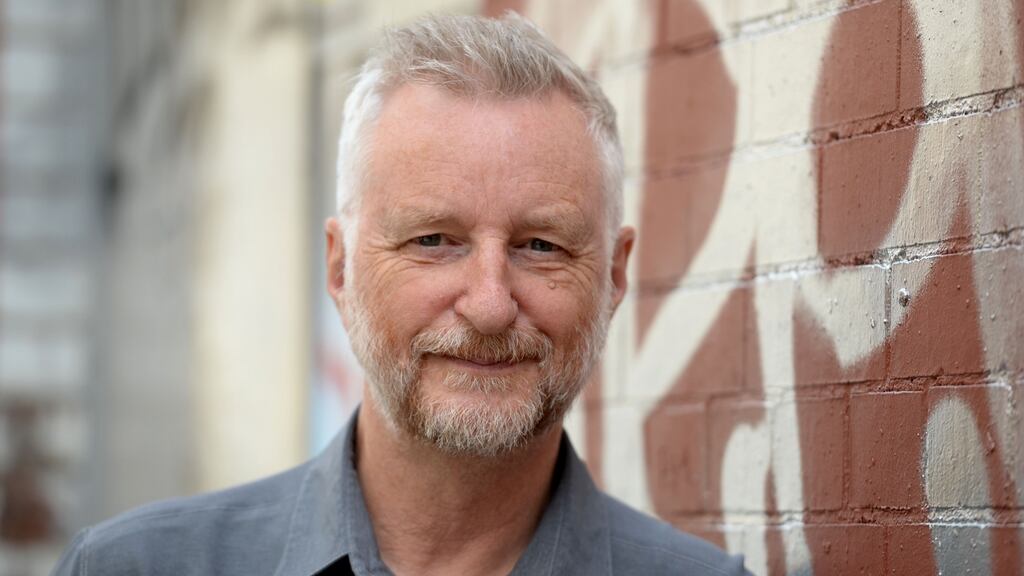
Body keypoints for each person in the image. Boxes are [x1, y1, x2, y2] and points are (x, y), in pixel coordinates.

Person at [54, 13, 747, 576]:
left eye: (542, 246)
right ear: (340, 269)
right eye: (433, 240)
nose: (489, 304)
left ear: (616, 276)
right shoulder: (137, 568)